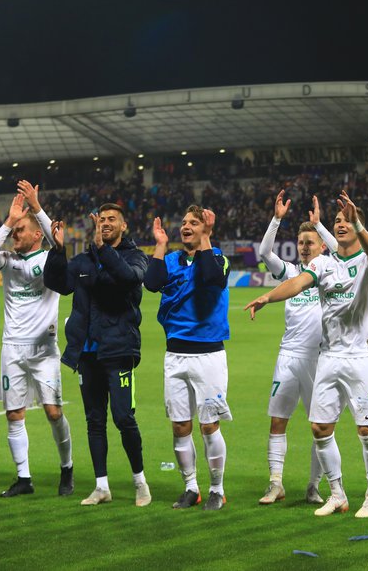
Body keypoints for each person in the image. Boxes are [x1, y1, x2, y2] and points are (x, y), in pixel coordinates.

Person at [245, 191, 368, 518]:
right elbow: (297, 283)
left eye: (345, 220)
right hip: (329, 357)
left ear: (358, 225)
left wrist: (358, 224)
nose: (339, 224)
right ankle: (336, 492)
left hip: (363, 358)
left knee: (366, 430)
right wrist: (268, 297)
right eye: (336, 221)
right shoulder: (323, 263)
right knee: (320, 428)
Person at [44, 203, 150, 506]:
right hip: (88, 353)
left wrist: (103, 249)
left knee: (123, 418)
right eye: (101, 219)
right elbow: (58, 283)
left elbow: (128, 279)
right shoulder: (84, 260)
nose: (105, 223)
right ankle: (101, 486)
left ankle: (139, 481)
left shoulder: (135, 256)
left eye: (111, 219)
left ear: (124, 225)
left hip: (119, 349)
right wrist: (58, 249)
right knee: (94, 421)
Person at [0, 181, 73, 498]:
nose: (15, 234)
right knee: (14, 414)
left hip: (44, 351)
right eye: (13, 230)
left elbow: (59, 243)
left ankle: (67, 468)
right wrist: (9, 221)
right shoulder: (7, 260)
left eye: (21, 230)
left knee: (53, 412)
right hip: (12, 350)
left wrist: (36, 208)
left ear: (37, 236)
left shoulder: (50, 260)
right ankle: (24, 478)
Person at [144, 206, 231, 511]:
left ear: (205, 227)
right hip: (175, 355)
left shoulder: (218, 258)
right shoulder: (170, 260)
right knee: (180, 426)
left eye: (194, 223)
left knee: (209, 426)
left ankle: (217, 490)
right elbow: (151, 283)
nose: (186, 226)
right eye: (183, 222)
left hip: (208, 355)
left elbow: (210, 278)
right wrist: (160, 243)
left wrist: (206, 236)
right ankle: (191, 487)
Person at [256, 191, 338, 506]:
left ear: (319, 246)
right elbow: (264, 252)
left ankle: (314, 486)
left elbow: (341, 250)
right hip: (288, 357)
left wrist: (321, 226)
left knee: (321, 426)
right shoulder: (290, 273)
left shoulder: (330, 269)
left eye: (310, 241)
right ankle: (275, 483)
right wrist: (277, 218)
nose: (304, 246)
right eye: (301, 242)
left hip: (320, 359)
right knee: (278, 420)